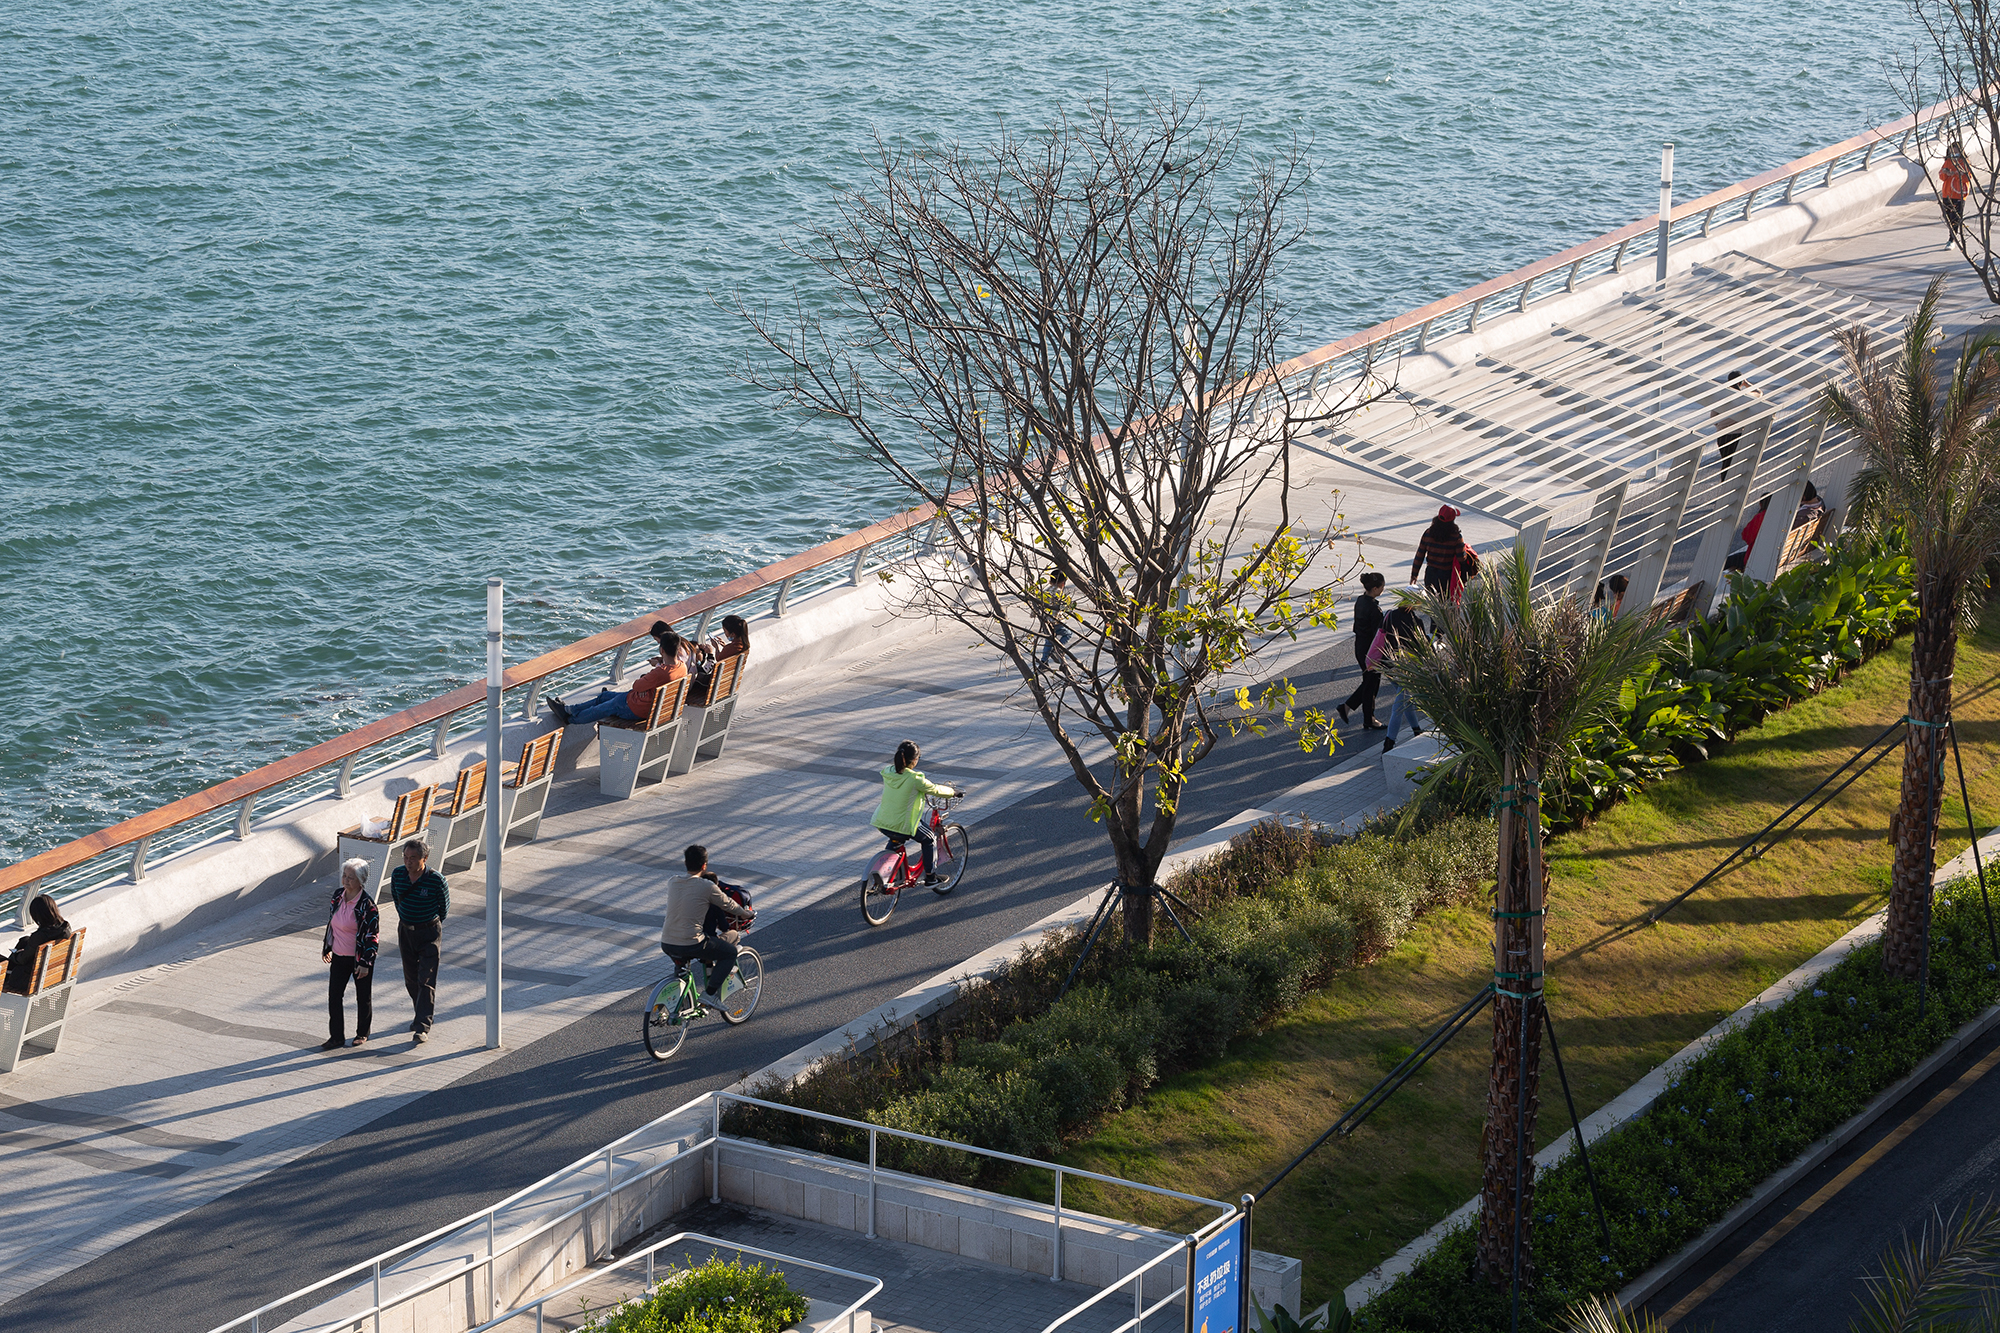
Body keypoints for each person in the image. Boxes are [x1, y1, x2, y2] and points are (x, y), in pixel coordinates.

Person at [661, 844, 753, 1005]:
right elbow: (729, 905)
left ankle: (678, 998)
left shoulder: (672, 882)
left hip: (667, 943)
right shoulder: (707, 886)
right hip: (693, 943)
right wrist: (747, 913)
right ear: (704, 866)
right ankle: (709, 995)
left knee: (683, 966)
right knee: (730, 952)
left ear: (686, 863)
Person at [550, 629, 688, 727]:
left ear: (662, 650)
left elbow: (637, 686)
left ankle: (571, 719)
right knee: (604, 697)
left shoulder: (661, 672)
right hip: (647, 705)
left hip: (637, 708)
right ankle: (569, 709)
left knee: (606, 707)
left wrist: (651, 672)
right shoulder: (682, 667)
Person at [871, 741, 960, 885]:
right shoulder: (915, 779)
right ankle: (931, 877)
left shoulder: (888, 772)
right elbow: (935, 789)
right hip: (902, 824)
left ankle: (881, 874)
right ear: (914, 760)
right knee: (929, 838)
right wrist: (953, 792)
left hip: (883, 821)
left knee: (895, 840)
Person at [388, 838, 448, 1044]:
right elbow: (396, 898)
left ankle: (422, 1026)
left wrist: (427, 922)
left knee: (426, 979)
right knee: (411, 979)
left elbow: (444, 908)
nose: (408, 862)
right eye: (405, 857)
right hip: (406, 932)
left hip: (429, 932)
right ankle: (419, 1013)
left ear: (425, 858)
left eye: (413, 858)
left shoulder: (436, 880)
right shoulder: (397, 874)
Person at [321, 858, 380, 1050]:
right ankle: (336, 1036)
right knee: (334, 996)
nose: (346, 881)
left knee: (363, 997)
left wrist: (365, 962)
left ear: (361, 880)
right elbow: (333, 924)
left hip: (359, 959)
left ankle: (362, 1033)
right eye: (344, 876)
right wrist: (327, 947)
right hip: (338, 956)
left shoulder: (367, 905)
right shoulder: (337, 895)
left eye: (351, 878)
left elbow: (372, 936)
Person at [1372, 600, 1429, 752]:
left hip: (1388, 665)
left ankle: (1416, 729)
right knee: (1400, 703)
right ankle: (1389, 741)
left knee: (1404, 697)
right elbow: (1421, 648)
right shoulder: (1416, 621)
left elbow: (1380, 635)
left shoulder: (1390, 615)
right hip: (1406, 668)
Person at [1337, 572, 1388, 731]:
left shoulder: (1360, 601)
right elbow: (1378, 635)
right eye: (1381, 587)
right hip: (1371, 650)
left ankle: (1359, 713)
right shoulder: (1375, 609)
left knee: (1370, 681)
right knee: (1371, 683)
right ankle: (1365, 716)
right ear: (1375, 588)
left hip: (1360, 646)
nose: (1383, 589)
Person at [4, 894, 72, 995]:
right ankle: (8, 969)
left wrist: (16, 955)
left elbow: (22, 959)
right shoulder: (65, 928)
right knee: (25, 940)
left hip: (30, 980)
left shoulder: (40, 936)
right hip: (54, 974)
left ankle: (7, 972)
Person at [1711, 371, 1763, 481]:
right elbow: (1758, 392)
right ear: (1741, 382)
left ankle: (1724, 484)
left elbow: (1713, 419)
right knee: (1739, 463)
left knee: (1726, 463)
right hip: (1739, 435)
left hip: (1723, 436)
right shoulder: (1746, 396)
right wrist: (1746, 383)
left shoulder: (1721, 398)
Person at [689, 615, 751, 707]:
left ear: (733, 634)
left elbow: (718, 658)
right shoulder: (744, 646)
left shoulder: (730, 648)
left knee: (693, 672)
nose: (725, 633)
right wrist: (725, 647)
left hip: (711, 686)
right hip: (726, 684)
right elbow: (729, 653)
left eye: (725, 631)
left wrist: (716, 648)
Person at [1408, 506, 1467, 596]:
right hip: (1447, 576)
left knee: (1432, 602)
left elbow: (1419, 555)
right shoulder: (1456, 537)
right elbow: (1461, 558)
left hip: (1430, 574)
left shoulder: (1428, 533)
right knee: (1445, 602)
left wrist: (1414, 574)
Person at [1724, 496, 1774, 573]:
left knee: (1726, 562)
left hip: (1755, 558)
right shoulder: (1780, 516)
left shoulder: (1761, 517)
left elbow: (1747, 537)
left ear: (1761, 504)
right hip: (1771, 556)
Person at [1035, 569, 1073, 668]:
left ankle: (1044, 662)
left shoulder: (1046, 590)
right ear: (1062, 583)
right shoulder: (1058, 592)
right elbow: (1057, 608)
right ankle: (1057, 650)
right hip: (1055, 622)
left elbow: (1037, 601)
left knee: (1049, 640)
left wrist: (1034, 614)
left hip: (1045, 621)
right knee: (1068, 634)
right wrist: (1055, 618)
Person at [1941, 141, 1971, 237]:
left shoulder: (1964, 162)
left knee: (1955, 217)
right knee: (1948, 216)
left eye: (1956, 151)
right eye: (1952, 151)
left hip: (1959, 193)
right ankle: (1954, 232)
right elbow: (1942, 177)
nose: (1954, 153)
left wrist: (1955, 173)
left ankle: (1952, 238)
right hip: (1947, 193)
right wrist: (1945, 173)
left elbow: (1967, 177)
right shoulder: (1948, 161)